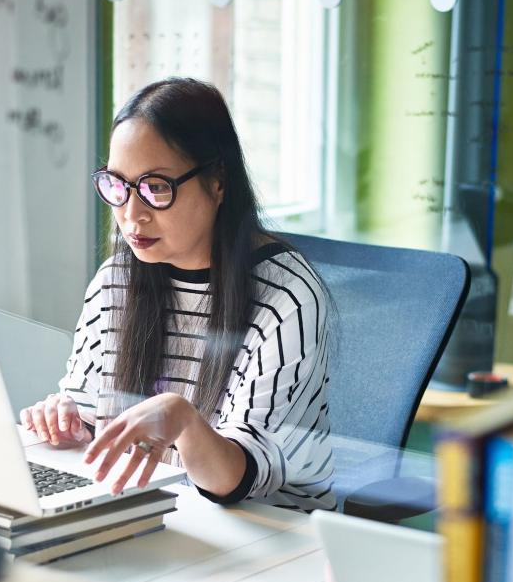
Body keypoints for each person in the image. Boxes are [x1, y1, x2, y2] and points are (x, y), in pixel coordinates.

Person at [20, 78, 335, 511]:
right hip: (160, 514)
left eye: (155, 188)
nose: (131, 215)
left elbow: (237, 480)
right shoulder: (117, 280)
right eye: (117, 185)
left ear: (217, 181)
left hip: (272, 537)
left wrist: (183, 420)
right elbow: (91, 410)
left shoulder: (287, 296)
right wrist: (70, 422)